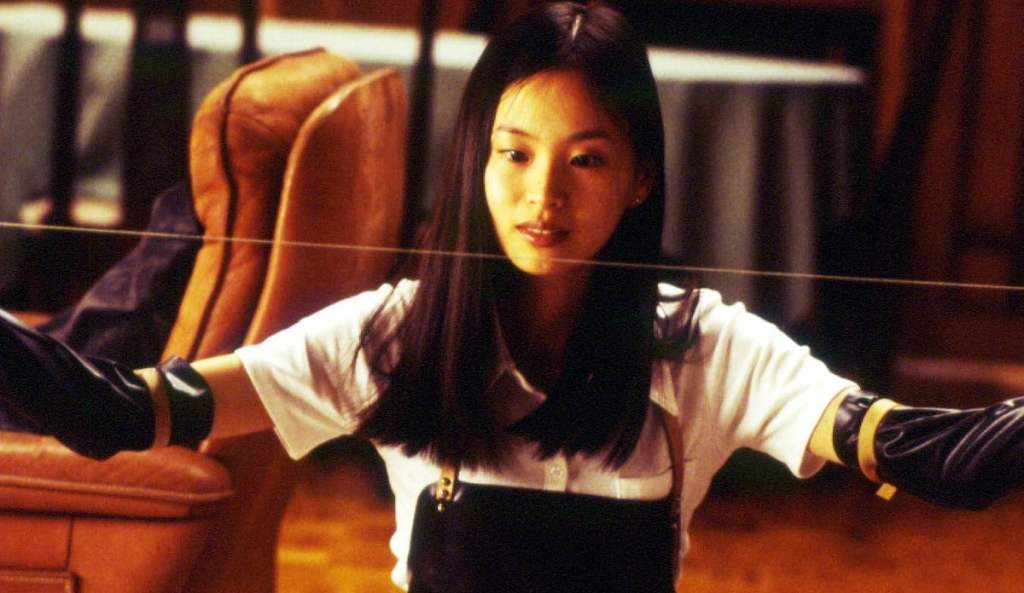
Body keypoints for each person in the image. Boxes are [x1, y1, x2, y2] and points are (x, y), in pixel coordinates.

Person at [2, 2, 1023, 592]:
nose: (543, 197)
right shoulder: (398, 333)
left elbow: (937, 456)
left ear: (640, 177)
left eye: (586, 159)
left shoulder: (701, 346)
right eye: (514, 153)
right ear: (475, 162)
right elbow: (119, 410)